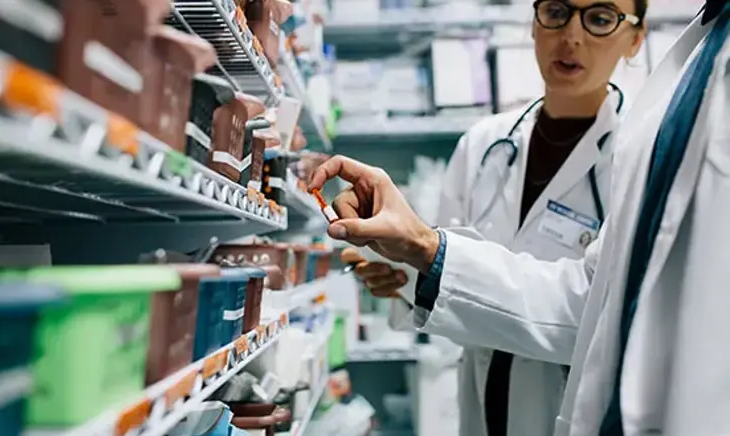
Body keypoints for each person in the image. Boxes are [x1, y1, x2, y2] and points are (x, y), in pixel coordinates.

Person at [309, 1, 730, 434]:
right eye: (556, 11)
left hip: (561, 405)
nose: (571, 36)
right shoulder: (483, 144)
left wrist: (428, 252)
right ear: (534, 22)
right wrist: (404, 278)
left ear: (636, 39)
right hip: (481, 401)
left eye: (600, 19)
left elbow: (595, 312)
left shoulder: (638, 155)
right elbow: (452, 284)